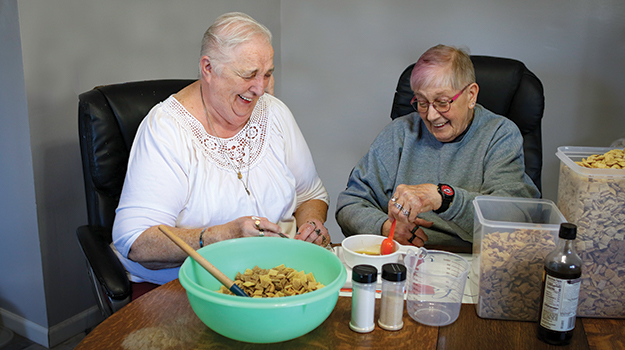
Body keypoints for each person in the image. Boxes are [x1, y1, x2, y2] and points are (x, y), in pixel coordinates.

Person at [113, 12, 330, 287]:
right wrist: (221, 236)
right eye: (248, 75)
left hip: (275, 278)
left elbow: (310, 194)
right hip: (187, 287)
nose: (261, 89)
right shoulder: (166, 129)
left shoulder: (275, 113)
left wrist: (311, 225)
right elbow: (135, 242)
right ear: (208, 68)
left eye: (267, 74)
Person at [335, 44, 540, 249]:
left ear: (471, 95)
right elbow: (350, 203)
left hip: (472, 259)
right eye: (422, 102)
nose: (431, 116)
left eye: (442, 102)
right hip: (406, 259)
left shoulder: (499, 134)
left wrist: (443, 198)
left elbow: (509, 220)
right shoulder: (400, 133)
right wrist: (386, 227)